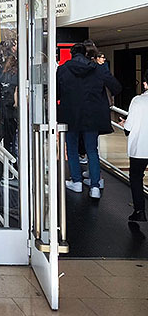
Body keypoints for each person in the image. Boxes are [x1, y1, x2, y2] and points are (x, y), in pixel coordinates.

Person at [57, 43, 122, 199]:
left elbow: (57, 94)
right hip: (92, 116)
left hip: (70, 115)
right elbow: (116, 87)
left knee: (71, 149)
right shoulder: (97, 68)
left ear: (72, 54)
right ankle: (95, 186)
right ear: (85, 54)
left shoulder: (63, 69)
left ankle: (77, 182)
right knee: (92, 150)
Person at [121, 70, 148, 222]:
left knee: (136, 177)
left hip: (140, 148)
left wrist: (125, 124)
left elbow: (129, 127)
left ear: (145, 84)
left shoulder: (138, 100)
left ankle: (140, 211)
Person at [0, 56, 19, 157]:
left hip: (3, 107)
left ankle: (8, 156)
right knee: (14, 134)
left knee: (7, 135)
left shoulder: (3, 74)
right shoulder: (16, 75)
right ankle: (14, 156)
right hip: (12, 107)